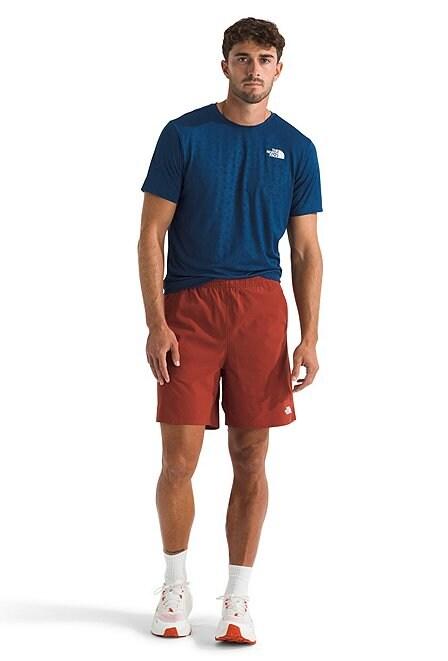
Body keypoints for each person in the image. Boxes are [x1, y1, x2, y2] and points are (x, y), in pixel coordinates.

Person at [138, 16, 323, 644]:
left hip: (260, 309)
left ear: (279, 68)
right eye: (242, 58)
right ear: (225, 65)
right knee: (178, 459)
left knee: (251, 456)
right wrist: (156, 322)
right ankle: (174, 585)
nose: (253, 69)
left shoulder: (297, 148)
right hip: (189, 308)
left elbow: (306, 251)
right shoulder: (184, 135)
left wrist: (309, 336)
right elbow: (150, 235)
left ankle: (237, 598)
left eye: (264, 59)